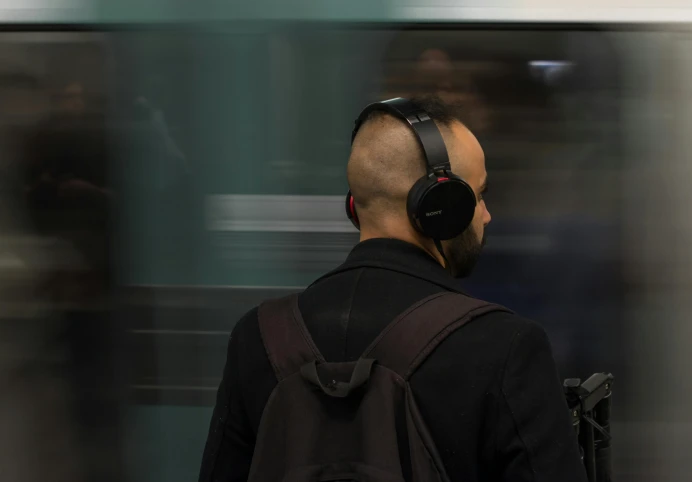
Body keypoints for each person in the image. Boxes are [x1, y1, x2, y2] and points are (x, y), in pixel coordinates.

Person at [198, 96, 586, 482]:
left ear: (355, 204)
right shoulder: (506, 347)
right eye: (478, 195)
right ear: (441, 204)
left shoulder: (258, 338)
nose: (486, 214)